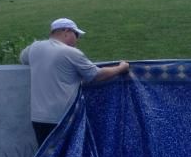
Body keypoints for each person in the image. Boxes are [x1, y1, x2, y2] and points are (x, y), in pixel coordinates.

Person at [20, 17, 130, 146]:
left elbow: (23, 59)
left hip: (38, 118)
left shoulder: (34, 48)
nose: (77, 40)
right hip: (63, 117)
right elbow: (96, 75)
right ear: (66, 31)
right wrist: (121, 68)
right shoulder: (71, 53)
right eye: (76, 35)